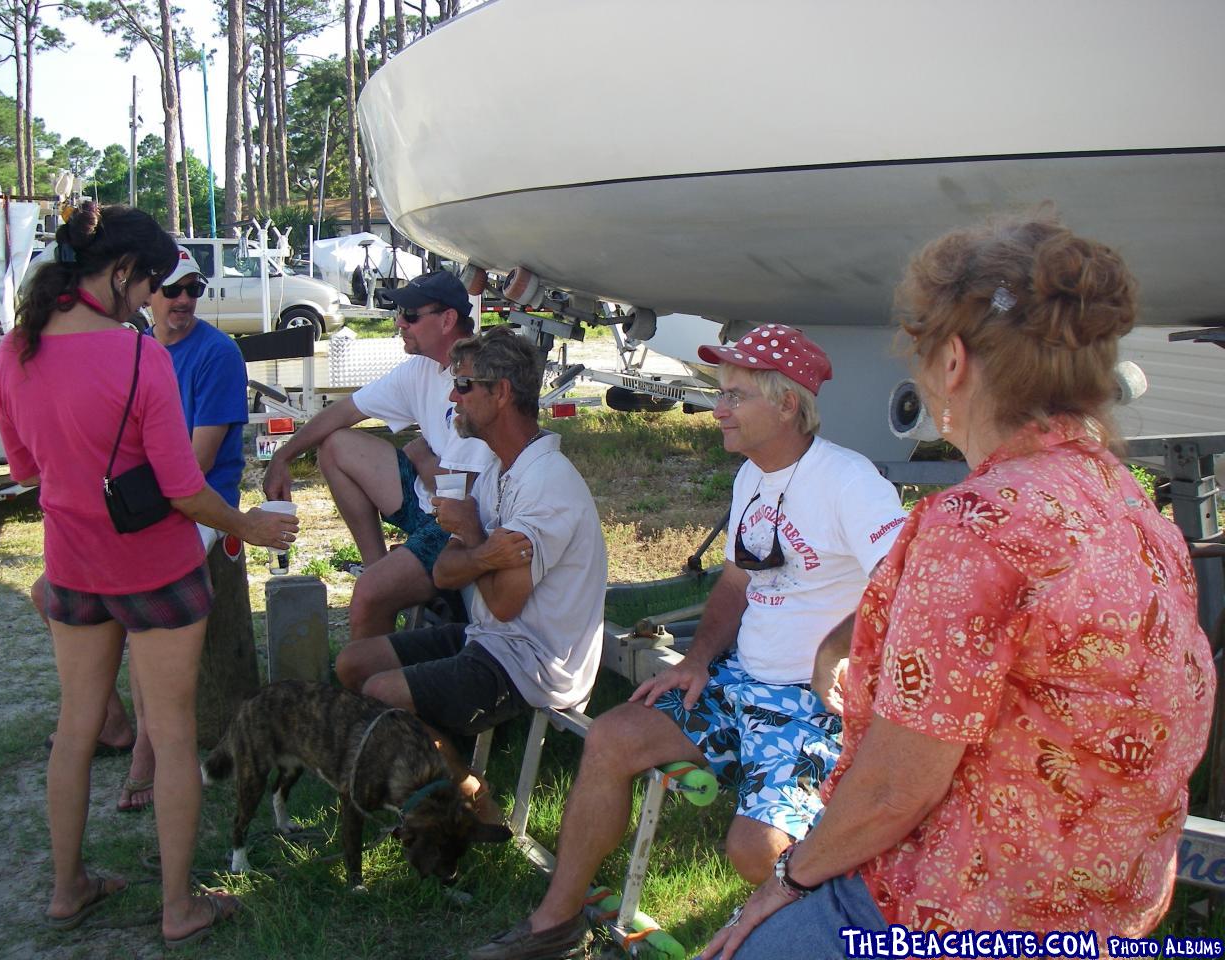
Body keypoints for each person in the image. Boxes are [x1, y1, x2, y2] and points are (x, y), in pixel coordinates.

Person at [698, 215, 1216, 960]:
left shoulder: (976, 526)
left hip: (964, 910)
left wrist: (790, 879)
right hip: (1112, 911)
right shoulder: (1133, 508)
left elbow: (893, 790)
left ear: (953, 361)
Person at [470, 325, 907, 960]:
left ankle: (834, 930)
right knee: (615, 734)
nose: (718, 408)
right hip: (739, 686)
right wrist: (697, 660)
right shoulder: (752, 476)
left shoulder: (848, 479)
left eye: (734, 396)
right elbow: (735, 579)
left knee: (755, 854)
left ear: (787, 404)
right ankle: (555, 923)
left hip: (811, 708)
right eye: (719, 393)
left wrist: (834, 649)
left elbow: (905, 582)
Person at [0, 202, 297, 946]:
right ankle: (178, 907)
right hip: (156, 571)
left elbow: (26, 470)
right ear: (121, 273)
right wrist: (248, 527)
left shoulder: (13, 352)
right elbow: (182, 487)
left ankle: (69, 890)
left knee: (75, 730)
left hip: (71, 565)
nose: (153, 299)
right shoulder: (139, 358)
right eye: (150, 283)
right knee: (171, 731)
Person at [334, 325, 607, 821]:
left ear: (500, 393)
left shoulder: (546, 485)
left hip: (534, 661)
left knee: (378, 691)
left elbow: (504, 601)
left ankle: (468, 797)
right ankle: (428, 781)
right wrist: (481, 551)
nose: (451, 397)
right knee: (354, 663)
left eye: (462, 386)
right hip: (494, 637)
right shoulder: (502, 468)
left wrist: (475, 544)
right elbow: (444, 570)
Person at [35, 245, 251, 814]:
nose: (183, 301)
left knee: (138, 610)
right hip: (138, 505)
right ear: (147, 293)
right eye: (172, 289)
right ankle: (108, 720)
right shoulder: (130, 351)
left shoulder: (216, 353)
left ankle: (143, 761)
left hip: (194, 504)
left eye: (194, 290)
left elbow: (197, 468)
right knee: (49, 595)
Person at [262, 269, 495, 643]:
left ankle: (375, 680)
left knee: (368, 597)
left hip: (460, 525)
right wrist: (283, 457)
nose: (399, 322)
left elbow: (457, 488)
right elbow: (344, 412)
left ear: (448, 320)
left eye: (411, 315)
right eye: (398, 313)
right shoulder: (421, 368)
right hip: (431, 502)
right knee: (335, 445)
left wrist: (421, 456)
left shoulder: (479, 375)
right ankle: (378, 566)